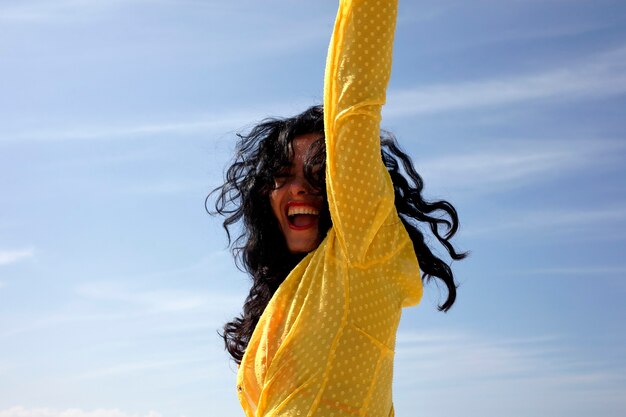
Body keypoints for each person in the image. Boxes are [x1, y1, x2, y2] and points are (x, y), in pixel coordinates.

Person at [209, 0, 466, 415]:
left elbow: (353, 110)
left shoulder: (363, 250)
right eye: (281, 175)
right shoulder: (287, 296)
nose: (300, 189)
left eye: (319, 174)